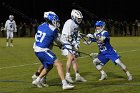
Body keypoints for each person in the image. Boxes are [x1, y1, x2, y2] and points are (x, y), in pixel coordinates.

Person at [32, 11, 74, 90]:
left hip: (37, 49)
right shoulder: (54, 30)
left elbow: (37, 37)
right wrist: (62, 46)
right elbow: (58, 41)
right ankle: (64, 84)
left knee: (49, 66)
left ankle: (37, 80)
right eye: (55, 20)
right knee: (59, 64)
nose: (57, 22)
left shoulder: (41, 26)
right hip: (43, 50)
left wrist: (48, 42)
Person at [60, 9, 87, 83]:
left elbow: (76, 35)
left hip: (70, 42)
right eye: (78, 18)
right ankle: (67, 75)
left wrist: (76, 45)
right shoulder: (70, 22)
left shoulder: (75, 24)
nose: (80, 20)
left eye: (80, 19)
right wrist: (73, 44)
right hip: (65, 41)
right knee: (71, 57)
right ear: (74, 17)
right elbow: (68, 36)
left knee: (74, 59)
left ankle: (77, 76)